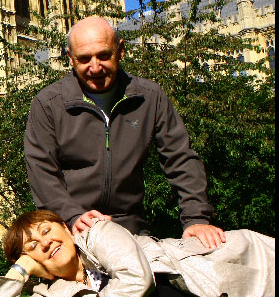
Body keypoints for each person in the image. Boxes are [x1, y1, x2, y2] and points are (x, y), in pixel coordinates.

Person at [24, 16, 225, 248]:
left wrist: (196, 218)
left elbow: (180, 158)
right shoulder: (48, 103)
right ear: (70, 58)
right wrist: (71, 215)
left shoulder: (148, 96)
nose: (95, 67)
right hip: (72, 232)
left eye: (103, 55)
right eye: (84, 59)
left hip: (131, 228)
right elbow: (41, 171)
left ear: (120, 51)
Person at [0, 210, 274, 297]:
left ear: (68, 230)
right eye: (32, 248)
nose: (44, 243)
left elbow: (136, 278)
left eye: (47, 230)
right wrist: (20, 269)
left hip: (236, 262)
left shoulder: (97, 233)